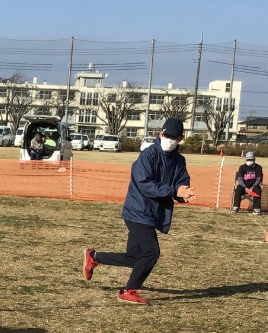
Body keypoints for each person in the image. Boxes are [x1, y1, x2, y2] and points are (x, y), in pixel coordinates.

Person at [83, 117, 195, 305]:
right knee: (151, 252)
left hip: (154, 214)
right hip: (137, 211)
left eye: (174, 137)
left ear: (180, 139)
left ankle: (94, 257)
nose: (170, 140)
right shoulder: (148, 155)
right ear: (160, 134)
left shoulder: (179, 160)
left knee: (134, 257)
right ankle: (128, 290)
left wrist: (182, 194)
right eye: (167, 135)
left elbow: (180, 183)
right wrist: (173, 191)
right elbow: (145, 185)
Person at [232, 151, 263, 215]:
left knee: (257, 190)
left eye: (251, 159)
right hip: (244, 186)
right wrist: (245, 188)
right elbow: (240, 179)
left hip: (254, 186)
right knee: (238, 190)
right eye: (248, 159)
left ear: (254, 159)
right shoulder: (242, 167)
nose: (249, 161)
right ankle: (236, 207)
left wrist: (253, 187)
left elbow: (259, 179)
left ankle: (256, 209)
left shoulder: (258, 168)